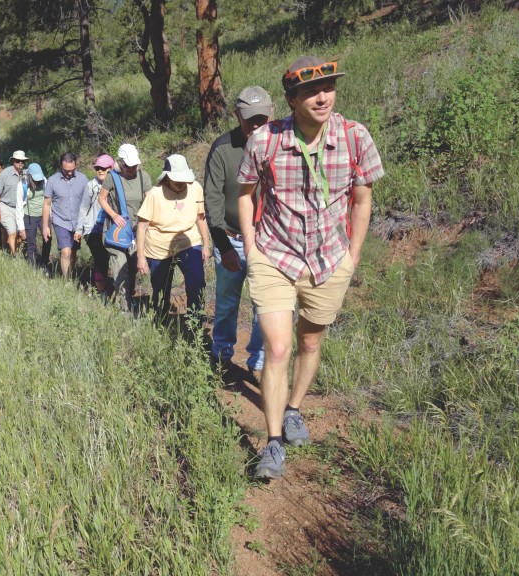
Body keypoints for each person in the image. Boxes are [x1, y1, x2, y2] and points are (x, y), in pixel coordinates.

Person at [238, 56, 384, 479]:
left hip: (329, 259)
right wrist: (251, 247)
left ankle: (294, 409)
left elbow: (362, 199)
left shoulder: (355, 137)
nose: (323, 97)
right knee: (278, 348)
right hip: (275, 256)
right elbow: (245, 194)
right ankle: (272, 442)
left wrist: (352, 257)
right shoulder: (265, 140)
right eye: (311, 91)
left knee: (311, 343)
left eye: (329, 88)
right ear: (292, 99)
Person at [204, 86, 273, 373]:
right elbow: (213, 201)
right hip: (231, 239)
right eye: (249, 119)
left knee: (265, 308)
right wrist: (224, 247)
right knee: (227, 303)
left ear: (271, 114)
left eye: (261, 118)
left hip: (268, 241)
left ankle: (257, 362)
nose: (255, 125)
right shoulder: (223, 149)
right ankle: (221, 355)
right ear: (237, 115)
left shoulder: (281, 144)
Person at [135, 154, 211, 327]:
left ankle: (195, 325)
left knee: (197, 282)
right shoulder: (155, 194)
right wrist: (141, 257)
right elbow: (142, 227)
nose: (181, 183)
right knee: (161, 289)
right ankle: (160, 324)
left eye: (183, 179)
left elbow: (201, 218)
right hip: (158, 247)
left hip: (189, 242)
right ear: (167, 176)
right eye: (177, 179)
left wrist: (206, 245)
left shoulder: (195, 188)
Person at [98, 144, 152, 312]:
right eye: (127, 166)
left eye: (134, 165)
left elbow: (150, 201)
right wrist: (114, 215)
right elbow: (102, 199)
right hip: (117, 232)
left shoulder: (143, 177)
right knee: (121, 268)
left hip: (137, 233)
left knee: (133, 268)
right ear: (120, 163)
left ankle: (129, 297)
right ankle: (125, 308)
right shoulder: (111, 177)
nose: (131, 169)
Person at [42, 152, 89, 281]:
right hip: (60, 221)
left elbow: (88, 201)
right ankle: (66, 280)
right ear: (60, 166)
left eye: (72, 170)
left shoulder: (83, 179)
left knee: (73, 252)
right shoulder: (52, 180)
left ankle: (71, 273)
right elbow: (46, 204)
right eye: (66, 170)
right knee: (65, 251)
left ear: (76, 166)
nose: (69, 173)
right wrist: (46, 226)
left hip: (77, 222)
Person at [82, 154, 114, 294]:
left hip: (110, 229)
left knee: (105, 259)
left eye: (103, 168)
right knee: (101, 258)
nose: (100, 171)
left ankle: (104, 286)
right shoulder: (91, 185)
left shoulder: (116, 185)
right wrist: (79, 229)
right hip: (93, 230)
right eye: (97, 168)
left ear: (110, 168)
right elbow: (83, 208)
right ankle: (102, 293)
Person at [0, 151, 29, 255]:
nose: (20, 163)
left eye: (22, 161)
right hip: (6, 207)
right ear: (13, 161)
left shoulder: (27, 174)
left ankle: (15, 251)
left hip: (21, 208)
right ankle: (14, 256)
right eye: (18, 161)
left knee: (20, 234)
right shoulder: (5, 173)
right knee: (12, 231)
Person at [21, 163, 51, 268]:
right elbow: (19, 206)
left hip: (43, 215)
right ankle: (32, 266)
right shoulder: (23, 185)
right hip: (29, 216)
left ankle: (44, 263)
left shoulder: (44, 181)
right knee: (31, 242)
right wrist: (21, 227)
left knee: (47, 239)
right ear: (29, 176)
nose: (37, 180)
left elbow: (48, 200)